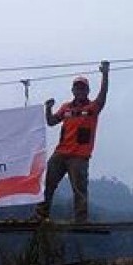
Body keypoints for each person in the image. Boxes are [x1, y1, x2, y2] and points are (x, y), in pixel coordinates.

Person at [34, 60, 110, 223]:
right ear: (73, 90)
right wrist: (48, 108)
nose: (80, 90)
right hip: (60, 153)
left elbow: (103, 96)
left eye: (82, 88)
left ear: (87, 90)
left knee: (79, 189)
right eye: (77, 87)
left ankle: (80, 219)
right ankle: (41, 214)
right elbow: (52, 122)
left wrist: (105, 74)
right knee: (48, 183)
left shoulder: (92, 108)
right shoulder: (66, 107)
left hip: (79, 156)